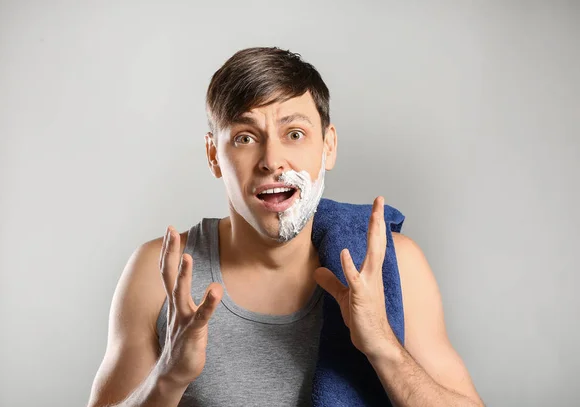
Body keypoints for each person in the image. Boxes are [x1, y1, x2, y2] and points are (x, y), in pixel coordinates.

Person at [86, 47, 484, 407]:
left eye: (294, 134)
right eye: (245, 138)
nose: (272, 160)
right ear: (213, 155)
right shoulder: (160, 274)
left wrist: (383, 347)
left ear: (328, 147)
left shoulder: (394, 267)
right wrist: (167, 378)